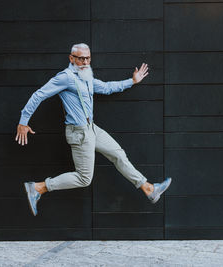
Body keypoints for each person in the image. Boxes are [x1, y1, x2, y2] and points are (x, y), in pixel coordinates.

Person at [16, 43, 172, 216]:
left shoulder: (86, 76)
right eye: (81, 58)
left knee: (118, 154)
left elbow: (106, 88)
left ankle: (149, 188)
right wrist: (23, 121)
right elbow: (39, 94)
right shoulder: (65, 77)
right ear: (71, 58)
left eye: (88, 58)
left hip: (92, 129)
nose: (85, 62)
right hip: (79, 133)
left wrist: (132, 81)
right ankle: (38, 187)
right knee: (84, 179)